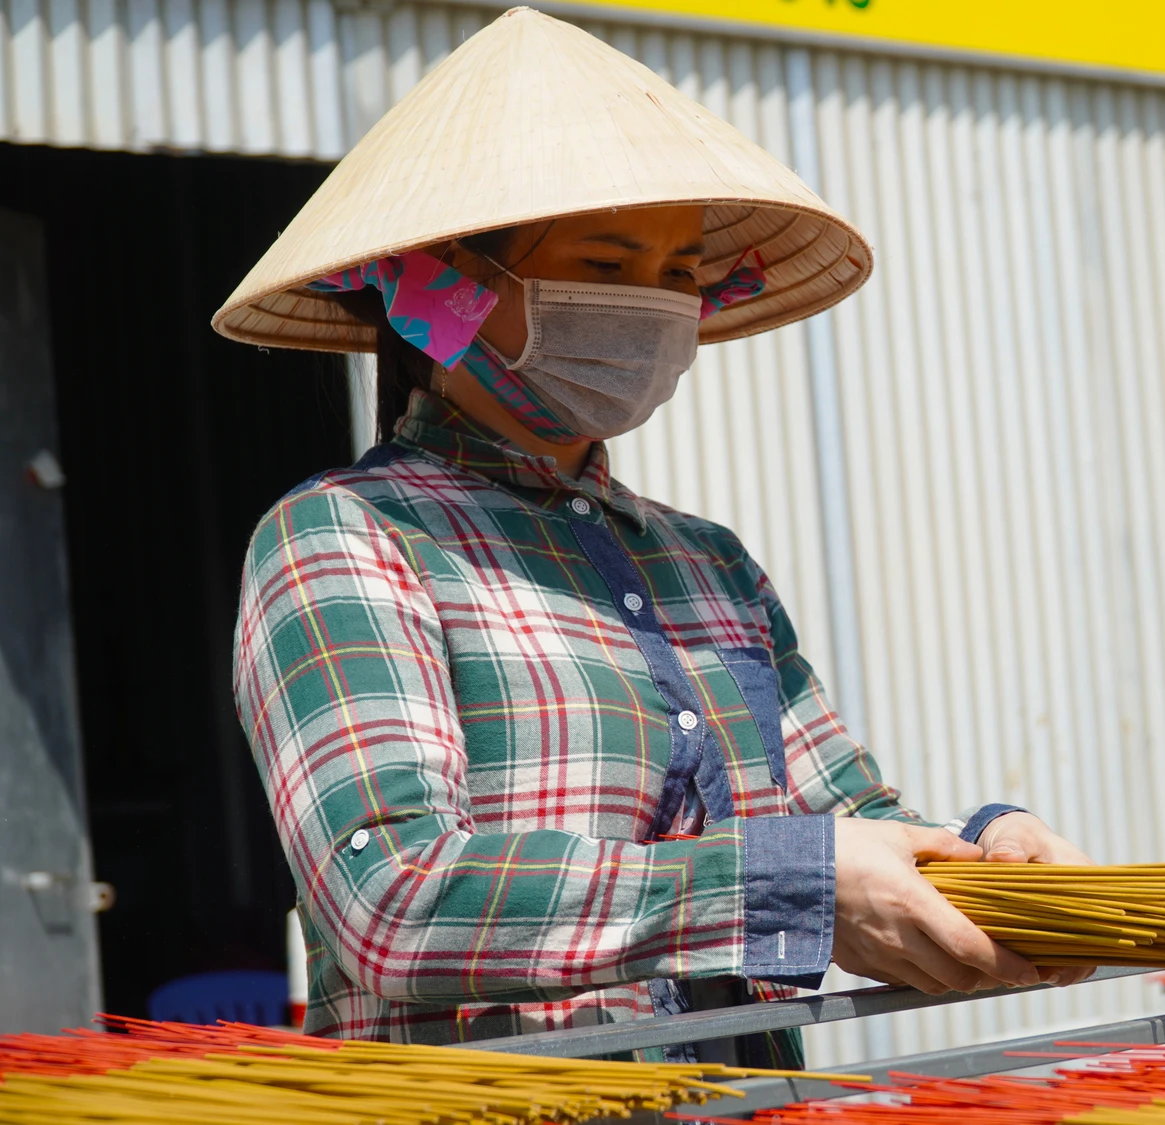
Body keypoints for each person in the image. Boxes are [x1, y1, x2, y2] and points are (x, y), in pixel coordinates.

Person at [217, 7, 1089, 1064]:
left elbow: (847, 813)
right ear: (445, 287)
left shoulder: (707, 563)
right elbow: (390, 901)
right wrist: (784, 884)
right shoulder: (346, 539)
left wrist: (989, 853)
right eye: (608, 259)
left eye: (678, 273)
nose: (655, 307)